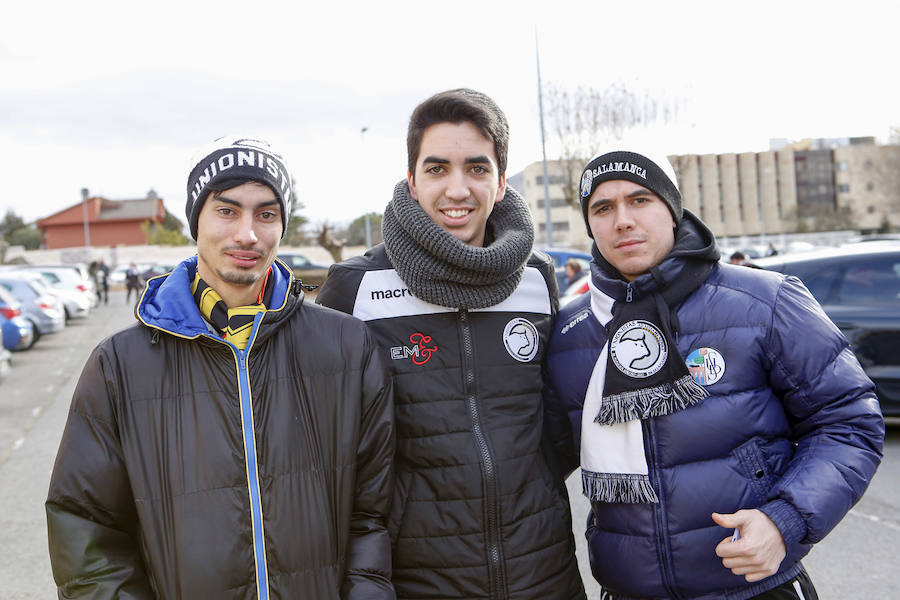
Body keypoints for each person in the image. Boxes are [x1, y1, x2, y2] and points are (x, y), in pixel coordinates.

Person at [46, 136, 396, 599]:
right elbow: (86, 531)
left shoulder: (348, 346)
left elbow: (372, 514)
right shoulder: (119, 366)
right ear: (196, 221)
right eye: (227, 211)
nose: (247, 234)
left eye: (266, 214)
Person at [543, 147, 884, 600]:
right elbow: (532, 462)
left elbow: (848, 422)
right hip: (627, 592)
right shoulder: (571, 333)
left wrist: (784, 521)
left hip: (756, 588)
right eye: (602, 208)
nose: (622, 219)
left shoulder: (766, 301)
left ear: (672, 208)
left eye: (640, 199)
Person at [317, 89, 585, 600]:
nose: (457, 188)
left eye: (477, 169)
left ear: (501, 183)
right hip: (418, 579)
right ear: (413, 181)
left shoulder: (536, 279)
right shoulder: (356, 287)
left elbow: (554, 423)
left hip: (544, 573)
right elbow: (328, 446)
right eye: (437, 168)